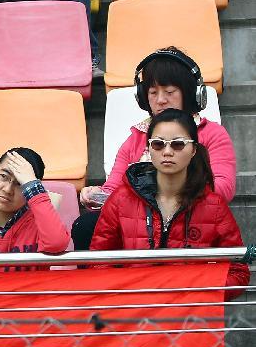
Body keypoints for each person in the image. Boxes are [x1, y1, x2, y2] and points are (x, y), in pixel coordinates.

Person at [75, 47, 237, 249]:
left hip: (190, 217)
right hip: (138, 225)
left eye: (169, 92)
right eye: (152, 92)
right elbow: (113, 189)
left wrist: (171, 189)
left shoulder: (212, 134)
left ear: (190, 93)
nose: (160, 100)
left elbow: (223, 189)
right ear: (143, 97)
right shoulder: (135, 138)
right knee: (86, 225)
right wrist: (96, 194)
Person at [90, 109, 248, 300]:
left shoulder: (213, 205)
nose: (167, 151)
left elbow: (238, 271)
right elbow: (98, 261)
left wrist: (200, 290)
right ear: (148, 149)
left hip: (190, 316)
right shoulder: (121, 199)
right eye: (158, 144)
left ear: (194, 150)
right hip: (135, 314)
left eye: (178, 144)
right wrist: (126, 293)